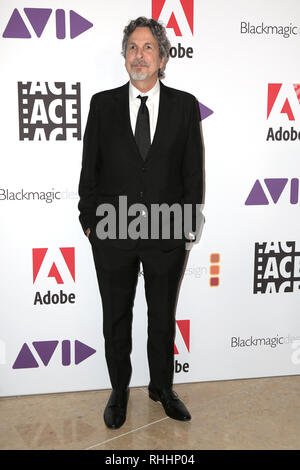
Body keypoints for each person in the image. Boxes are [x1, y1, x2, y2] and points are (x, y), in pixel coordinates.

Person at [78, 16, 204, 429]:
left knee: (162, 317)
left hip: (167, 233)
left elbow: (192, 173)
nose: (139, 54)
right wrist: (90, 222)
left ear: (163, 57)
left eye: (148, 47)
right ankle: (119, 391)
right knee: (116, 316)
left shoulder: (185, 106)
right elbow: (89, 172)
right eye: (132, 47)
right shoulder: (103, 104)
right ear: (124, 57)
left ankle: (162, 389)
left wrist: (186, 226)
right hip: (112, 234)